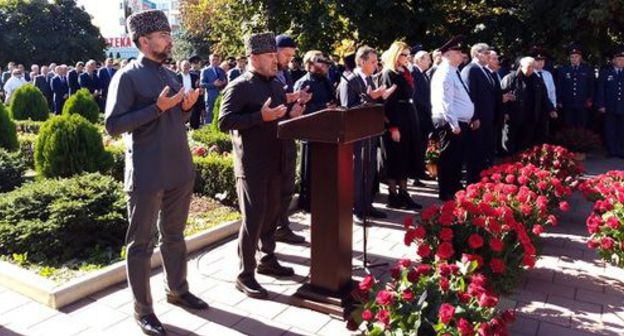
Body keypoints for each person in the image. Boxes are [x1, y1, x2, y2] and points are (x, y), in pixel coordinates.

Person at [104, 10, 208, 336]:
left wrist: (187, 106)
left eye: (168, 35)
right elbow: (113, 125)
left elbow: (176, 119)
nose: (169, 41)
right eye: (163, 37)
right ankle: (143, 310)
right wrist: (156, 109)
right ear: (144, 41)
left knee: (175, 237)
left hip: (179, 170)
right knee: (140, 245)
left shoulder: (169, 74)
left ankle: (177, 289)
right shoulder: (128, 76)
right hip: (147, 174)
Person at [219, 32, 307, 299]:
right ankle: (245, 275)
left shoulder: (276, 85)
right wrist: (260, 116)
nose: (274, 60)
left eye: (274, 55)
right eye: (269, 56)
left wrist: (291, 115)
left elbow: (277, 119)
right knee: (253, 218)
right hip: (253, 165)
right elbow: (224, 121)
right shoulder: (240, 85)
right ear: (253, 57)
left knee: (272, 213)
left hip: (277, 160)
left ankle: (267, 259)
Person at [337, 45, 396, 219]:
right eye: (372, 61)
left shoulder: (370, 79)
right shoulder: (350, 80)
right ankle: (356, 208)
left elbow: (370, 103)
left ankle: (367, 204)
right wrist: (372, 98)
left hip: (369, 133)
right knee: (357, 172)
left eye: (376, 61)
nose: (375, 65)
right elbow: (348, 108)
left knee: (369, 171)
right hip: (356, 136)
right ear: (361, 61)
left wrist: (379, 99)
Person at [378, 41, 423, 210]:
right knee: (395, 157)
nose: (407, 58)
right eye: (404, 54)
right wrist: (393, 127)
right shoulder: (388, 73)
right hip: (397, 118)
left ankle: (404, 192)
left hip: (409, 115)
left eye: (408, 55)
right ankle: (393, 194)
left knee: (406, 156)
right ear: (396, 55)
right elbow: (389, 102)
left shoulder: (405, 72)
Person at [430, 36, 474, 201]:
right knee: (448, 157)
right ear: (447, 54)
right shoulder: (444, 72)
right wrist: (453, 123)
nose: (461, 55)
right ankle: (446, 190)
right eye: (457, 52)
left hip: (457, 121)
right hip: (448, 121)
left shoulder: (454, 71)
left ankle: (454, 186)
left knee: (456, 157)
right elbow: (445, 100)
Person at [273, 34, 308, 244]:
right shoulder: (266, 75)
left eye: (292, 55)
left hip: (286, 134)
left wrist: (296, 107)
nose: (289, 59)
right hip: (271, 138)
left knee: (287, 185)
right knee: (275, 187)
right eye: (286, 54)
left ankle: (282, 226)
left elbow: (283, 107)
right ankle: (273, 229)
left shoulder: (284, 74)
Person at [293, 50, 336, 211]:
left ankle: (325, 199)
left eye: (326, 62)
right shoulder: (303, 83)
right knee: (311, 171)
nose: (325, 65)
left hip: (328, 132)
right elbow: (300, 110)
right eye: (320, 62)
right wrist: (323, 107)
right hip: (311, 134)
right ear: (310, 65)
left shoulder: (326, 80)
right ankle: (309, 204)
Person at [501, 57, 554, 154]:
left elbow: (544, 96)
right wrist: (505, 112)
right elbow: (502, 98)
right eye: (529, 67)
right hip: (513, 117)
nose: (531, 70)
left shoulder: (537, 79)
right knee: (509, 143)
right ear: (521, 66)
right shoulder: (510, 79)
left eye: (533, 67)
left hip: (530, 116)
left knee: (525, 143)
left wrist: (551, 109)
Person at [461, 43, 497, 182]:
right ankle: (473, 181)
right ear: (477, 54)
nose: (489, 55)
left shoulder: (484, 70)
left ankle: (481, 180)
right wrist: (474, 117)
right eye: (486, 53)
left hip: (487, 117)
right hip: (477, 119)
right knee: (475, 152)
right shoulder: (471, 70)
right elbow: (470, 96)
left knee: (483, 151)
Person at [556, 44, 595, 129]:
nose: (574, 59)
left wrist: (590, 99)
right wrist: (559, 100)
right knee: (568, 125)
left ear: (580, 57)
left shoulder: (587, 70)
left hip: (583, 103)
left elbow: (592, 86)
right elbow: (560, 86)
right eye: (572, 57)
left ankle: (581, 141)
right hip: (568, 102)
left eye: (576, 56)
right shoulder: (563, 70)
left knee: (582, 125)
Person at [596, 47, 624, 158]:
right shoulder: (606, 73)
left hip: (622, 106)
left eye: (623, 59)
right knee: (610, 129)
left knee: (622, 129)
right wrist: (601, 104)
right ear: (613, 61)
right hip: (609, 106)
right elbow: (601, 90)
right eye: (619, 59)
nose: (621, 61)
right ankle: (611, 151)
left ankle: (621, 150)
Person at [411, 50, 433, 183]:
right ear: (419, 60)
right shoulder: (414, 72)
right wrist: (428, 107)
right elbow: (416, 96)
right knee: (418, 146)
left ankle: (419, 171)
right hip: (419, 115)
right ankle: (416, 174)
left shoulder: (423, 74)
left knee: (422, 145)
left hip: (424, 116)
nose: (429, 62)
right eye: (427, 59)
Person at [531, 48, 558, 136]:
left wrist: (553, 107)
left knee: (544, 131)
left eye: (542, 60)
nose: (540, 62)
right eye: (538, 60)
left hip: (546, 107)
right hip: (533, 107)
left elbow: (552, 92)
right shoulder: (530, 74)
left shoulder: (548, 74)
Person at [200, 54, 227, 125]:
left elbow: (225, 81)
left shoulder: (221, 70)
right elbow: (202, 84)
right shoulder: (205, 70)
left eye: (217, 60)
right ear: (210, 61)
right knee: (209, 116)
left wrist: (223, 83)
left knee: (220, 115)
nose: (215, 61)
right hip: (210, 97)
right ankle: (208, 134)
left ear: (219, 61)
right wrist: (213, 84)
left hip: (220, 96)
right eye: (213, 60)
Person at [176, 60, 202, 129]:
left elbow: (198, 86)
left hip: (193, 99)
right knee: (181, 118)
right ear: (180, 67)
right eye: (184, 66)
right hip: (181, 100)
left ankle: (195, 130)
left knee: (195, 116)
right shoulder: (176, 77)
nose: (186, 67)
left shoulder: (195, 76)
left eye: (187, 65)